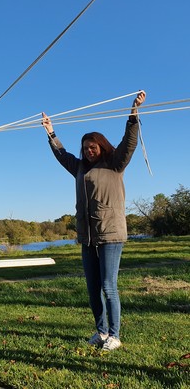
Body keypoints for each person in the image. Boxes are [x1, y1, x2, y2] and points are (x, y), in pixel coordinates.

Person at [41, 90, 146, 351]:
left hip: (110, 233)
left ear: (101, 146)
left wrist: (133, 114)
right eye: (86, 148)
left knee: (109, 287)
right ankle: (100, 332)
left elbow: (129, 143)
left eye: (93, 147)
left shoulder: (115, 163)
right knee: (93, 288)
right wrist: (51, 133)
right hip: (87, 236)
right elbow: (62, 155)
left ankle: (115, 335)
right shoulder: (79, 167)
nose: (89, 151)